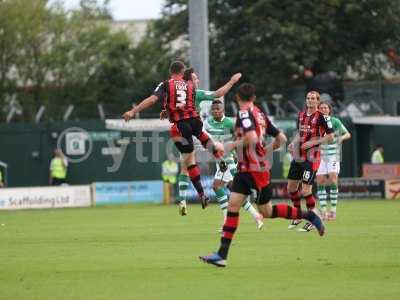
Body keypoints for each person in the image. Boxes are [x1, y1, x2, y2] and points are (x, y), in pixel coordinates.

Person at [199, 83, 325, 267]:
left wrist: (229, 146)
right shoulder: (260, 113)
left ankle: (310, 216)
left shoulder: (244, 113)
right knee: (234, 205)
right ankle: (222, 255)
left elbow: (251, 137)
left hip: (254, 170)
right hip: (247, 168)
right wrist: (264, 152)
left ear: (237, 99)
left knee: (267, 211)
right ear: (254, 98)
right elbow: (281, 138)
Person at [122, 61, 236, 212]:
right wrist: (233, 81)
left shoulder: (166, 84)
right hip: (195, 122)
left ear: (171, 71)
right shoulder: (191, 87)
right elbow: (196, 100)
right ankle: (221, 160)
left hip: (180, 127)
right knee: (203, 136)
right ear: (184, 73)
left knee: (189, 163)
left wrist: (133, 111)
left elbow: (153, 100)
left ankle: (200, 194)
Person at [163, 67, 242, 216]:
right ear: (189, 81)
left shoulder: (177, 94)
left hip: (183, 131)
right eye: (195, 78)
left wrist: (166, 112)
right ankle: (235, 182)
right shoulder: (195, 93)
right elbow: (218, 94)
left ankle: (183, 201)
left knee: (186, 168)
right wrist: (232, 81)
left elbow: (170, 108)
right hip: (197, 131)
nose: (198, 80)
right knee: (221, 149)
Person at [204, 100, 264, 230]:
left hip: (228, 160)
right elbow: (204, 137)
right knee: (234, 191)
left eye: (218, 109)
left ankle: (227, 222)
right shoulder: (208, 123)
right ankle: (256, 215)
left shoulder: (230, 123)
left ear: (223, 110)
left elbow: (239, 141)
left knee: (217, 186)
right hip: (219, 160)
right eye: (213, 109)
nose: (215, 111)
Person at [286, 91, 335, 232]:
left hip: (312, 158)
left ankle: (314, 219)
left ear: (318, 101)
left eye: (313, 98)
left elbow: (331, 137)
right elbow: (299, 133)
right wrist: (293, 143)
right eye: (308, 98)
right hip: (298, 156)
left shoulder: (322, 117)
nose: (310, 100)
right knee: (291, 187)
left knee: (306, 190)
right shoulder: (301, 115)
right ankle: (297, 215)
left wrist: (314, 142)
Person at [315, 101, 351, 222]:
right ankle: (324, 210)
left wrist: (341, 137)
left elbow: (347, 134)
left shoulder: (335, 121)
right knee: (320, 181)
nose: (324, 109)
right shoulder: (315, 122)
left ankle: (333, 211)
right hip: (319, 156)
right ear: (318, 109)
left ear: (329, 110)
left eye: (326, 108)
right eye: (321, 108)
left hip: (333, 155)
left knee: (333, 178)